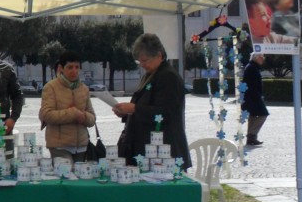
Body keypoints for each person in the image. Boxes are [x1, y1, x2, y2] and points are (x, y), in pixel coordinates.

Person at [112, 33, 190, 169]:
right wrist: (126, 113)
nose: (142, 65)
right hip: (146, 149)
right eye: (139, 61)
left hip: (163, 151)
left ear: (159, 56)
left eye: (145, 60)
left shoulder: (168, 77)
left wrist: (134, 109)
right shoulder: (151, 75)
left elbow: (165, 112)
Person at [39, 50, 96, 162]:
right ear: (61, 68)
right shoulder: (51, 87)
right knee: (66, 176)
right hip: (59, 146)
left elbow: (92, 118)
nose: (74, 71)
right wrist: (72, 113)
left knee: (80, 177)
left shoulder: (84, 89)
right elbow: (46, 115)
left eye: (77, 67)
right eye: (70, 67)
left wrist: (84, 117)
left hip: (81, 146)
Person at [241, 53, 269, 146]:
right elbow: (251, 86)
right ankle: (251, 135)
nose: (263, 59)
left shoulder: (252, 67)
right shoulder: (251, 68)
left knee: (253, 116)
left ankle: (251, 139)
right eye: (261, 57)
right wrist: (258, 97)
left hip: (250, 97)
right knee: (263, 114)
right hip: (252, 97)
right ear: (256, 58)